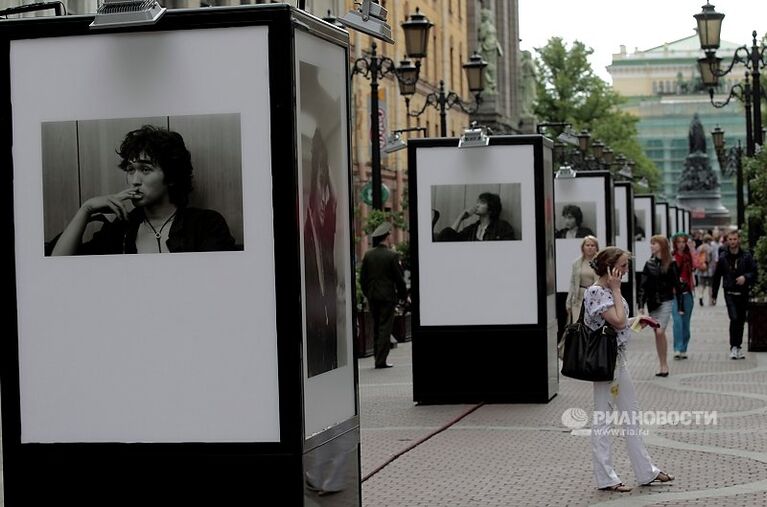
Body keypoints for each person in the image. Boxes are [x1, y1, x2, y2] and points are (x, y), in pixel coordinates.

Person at [50, 125, 237, 256]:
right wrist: (86, 209)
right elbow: (57, 270)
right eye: (130, 170)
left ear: (171, 177)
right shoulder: (121, 229)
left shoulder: (206, 224)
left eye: (145, 169)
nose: (135, 181)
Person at [584, 247, 674, 492]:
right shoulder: (596, 292)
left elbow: (621, 323)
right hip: (606, 363)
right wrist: (616, 290)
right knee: (603, 417)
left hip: (617, 360)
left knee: (630, 414)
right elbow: (618, 321)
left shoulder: (606, 292)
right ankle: (606, 477)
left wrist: (638, 320)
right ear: (610, 267)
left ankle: (645, 471)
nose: (625, 270)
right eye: (622, 266)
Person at [304, 128, 339, 377]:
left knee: (326, 323)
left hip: (326, 271)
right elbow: (325, 198)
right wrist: (321, 166)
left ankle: (328, 364)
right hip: (318, 272)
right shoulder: (312, 217)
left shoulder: (325, 219)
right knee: (319, 323)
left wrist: (326, 171)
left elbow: (333, 199)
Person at [360, 222, 407, 369]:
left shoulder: (368, 255)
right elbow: (399, 279)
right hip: (387, 298)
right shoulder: (392, 256)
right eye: (391, 235)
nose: (392, 237)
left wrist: (368, 293)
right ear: (387, 237)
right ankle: (381, 360)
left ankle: (377, 357)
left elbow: (362, 279)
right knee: (385, 328)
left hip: (373, 297)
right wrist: (403, 296)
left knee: (376, 328)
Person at [637, 235, 684, 377]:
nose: (651, 246)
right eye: (651, 243)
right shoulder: (649, 264)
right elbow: (643, 287)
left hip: (666, 301)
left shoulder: (671, 263)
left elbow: (677, 285)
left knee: (659, 331)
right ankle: (662, 363)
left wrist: (681, 306)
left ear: (662, 245)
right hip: (653, 303)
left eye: (654, 243)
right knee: (657, 334)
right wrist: (641, 305)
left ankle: (664, 365)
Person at [712, 230, 758, 360]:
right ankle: (733, 346)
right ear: (727, 240)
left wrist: (745, 277)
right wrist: (714, 295)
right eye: (730, 239)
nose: (732, 242)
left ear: (739, 240)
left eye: (735, 239)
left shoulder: (747, 256)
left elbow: (754, 272)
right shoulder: (723, 257)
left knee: (741, 320)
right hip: (729, 292)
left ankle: (738, 347)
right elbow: (717, 276)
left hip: (743, 292)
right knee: (734, 318)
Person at [439, 192, 515, 241]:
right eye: (477, 202)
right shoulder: (472, 229)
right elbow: (446, 238)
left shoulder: (503, 227)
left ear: (491, 208)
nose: (477, 205)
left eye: (482, 202)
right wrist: (460, 217)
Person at [670, 232, 697, 359]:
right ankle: (677, 348)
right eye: (678, 242)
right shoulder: (672, 257)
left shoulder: (688, 256)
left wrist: (692, 250)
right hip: (675, 294)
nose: (681, 244)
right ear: (675, 243)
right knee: (677, 321)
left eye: (683, 242)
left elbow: (696, 267)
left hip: (687, 292)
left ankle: (684, 348)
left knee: (686, 323)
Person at [565, 235, 600, 325]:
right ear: (583, 247)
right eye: (587, 245)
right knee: (577, 325)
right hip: (578, 298)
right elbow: (573, 283)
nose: (590, 248)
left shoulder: (600, 263)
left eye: (593, 245)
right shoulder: (576, 263)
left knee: (590, 324)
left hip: (594, 298)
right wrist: (569, 301)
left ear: (596, 248)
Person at [695, 233, 714, 306]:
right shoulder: (710, 248)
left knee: (701, 284)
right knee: (710, 285)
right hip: (709, 270)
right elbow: (711, 260)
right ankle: (710, 300)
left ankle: (700, 296)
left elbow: (696, 258)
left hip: (701, 269)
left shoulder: (699, 248)